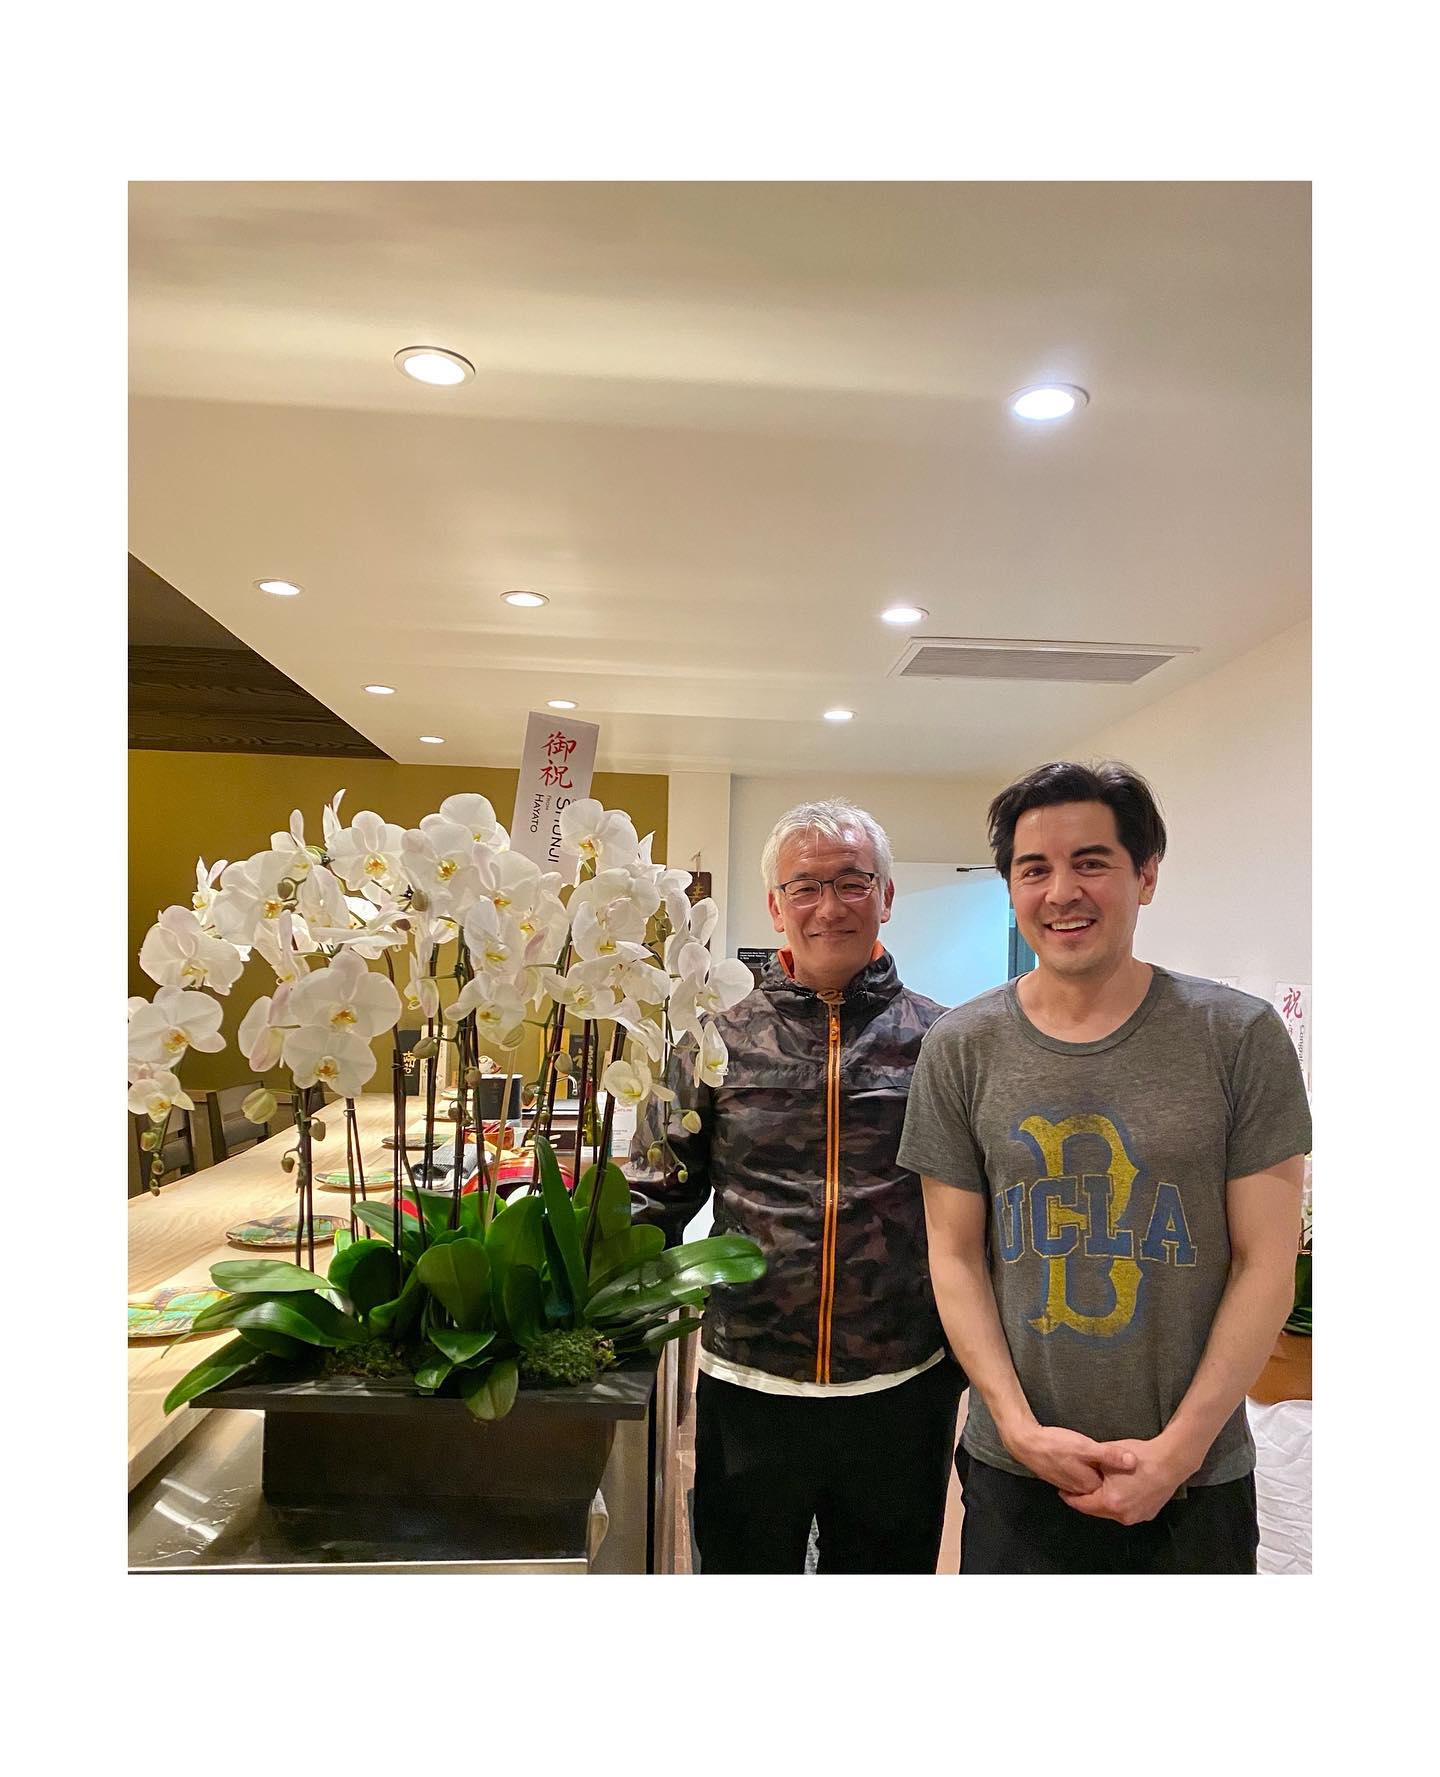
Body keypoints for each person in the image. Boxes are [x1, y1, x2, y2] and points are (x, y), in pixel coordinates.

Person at [897, 761, 1311, 1574]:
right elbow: (954, 1255)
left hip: (1196, 1483)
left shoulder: (1238, 1037)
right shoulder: (961, 1047)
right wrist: (1018, 1427)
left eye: (1091, 862)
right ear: (1011, 887)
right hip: (1016, 1475)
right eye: (1034, 869)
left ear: (1146, 875)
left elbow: (1267, 1261)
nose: (1061, 893)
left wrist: (1178, 1451)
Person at [638, 798, 963, 1573]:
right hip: (749, 1380)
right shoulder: (712, 1036)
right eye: (806, 886)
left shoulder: (944, 1040)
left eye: (853, 882)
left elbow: (976, 1213)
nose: (830, 906)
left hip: (901, 1386)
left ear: (886, 895)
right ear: (776, 905)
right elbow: (654, 1195)